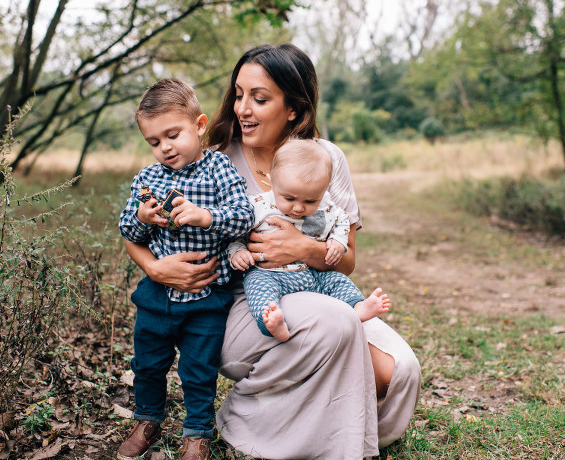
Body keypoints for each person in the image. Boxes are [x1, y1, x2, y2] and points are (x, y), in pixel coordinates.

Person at [125, 44, 421, 459]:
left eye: (260, 99)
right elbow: (139, 227)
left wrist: (303, 247)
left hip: (313, 285)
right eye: (240, 94)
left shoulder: (326, 157)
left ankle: (328, 425)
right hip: (241, 303)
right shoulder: (214, 159)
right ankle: (253, 420)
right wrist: (156, 270)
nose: (243, 108)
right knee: (338, 323)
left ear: (294, 109)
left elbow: (349, 259)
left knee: (399, 371)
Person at [117, 78, 254, 460]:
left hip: (208, 296)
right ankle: (147, 419)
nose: (165, 147)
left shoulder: (219, 169)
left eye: (172, 135)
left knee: (198, 368)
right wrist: (143, 217)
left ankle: (196, 433)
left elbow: (244, 217)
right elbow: (127, 230)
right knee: (147, 362)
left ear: (199, 125)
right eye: (154, 142)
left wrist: (205, 216)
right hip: (158, 296)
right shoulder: (147, 179)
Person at [228, 138, 390, 341]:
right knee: (257, 288)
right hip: (268, 274)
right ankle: (272, 322)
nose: (298, 208)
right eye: (289, 198)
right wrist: (237, 251)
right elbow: (236, 234)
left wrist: (338, 241)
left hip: (311, 273)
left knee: (337, 280)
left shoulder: (325, 206)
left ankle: (357, 306)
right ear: (271, 181)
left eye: (310, 201)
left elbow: (341, 219)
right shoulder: (258, 206)